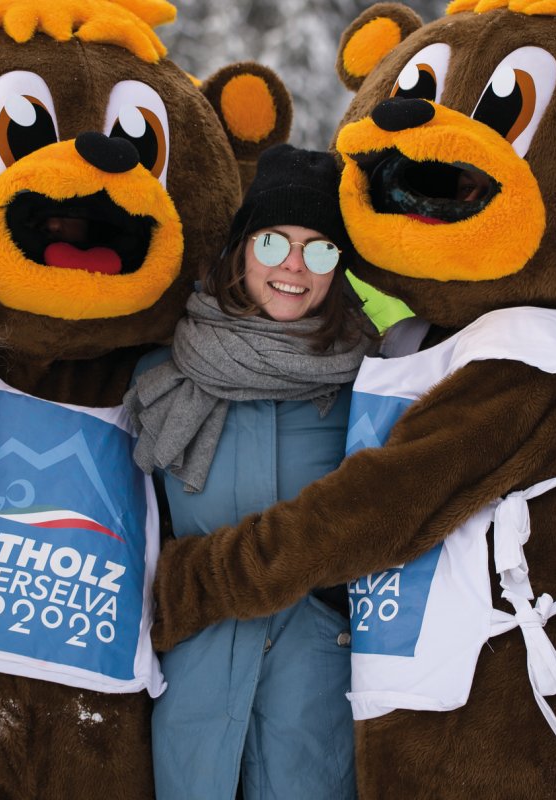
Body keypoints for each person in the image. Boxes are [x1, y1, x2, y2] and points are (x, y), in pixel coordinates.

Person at [124, 144, 377, 800]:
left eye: (319, 250)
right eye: (272, 243)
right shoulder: (161, 376)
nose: (293, 265)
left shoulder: (370, 386)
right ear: (241, 251)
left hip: (315, 700)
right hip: (192, 692)